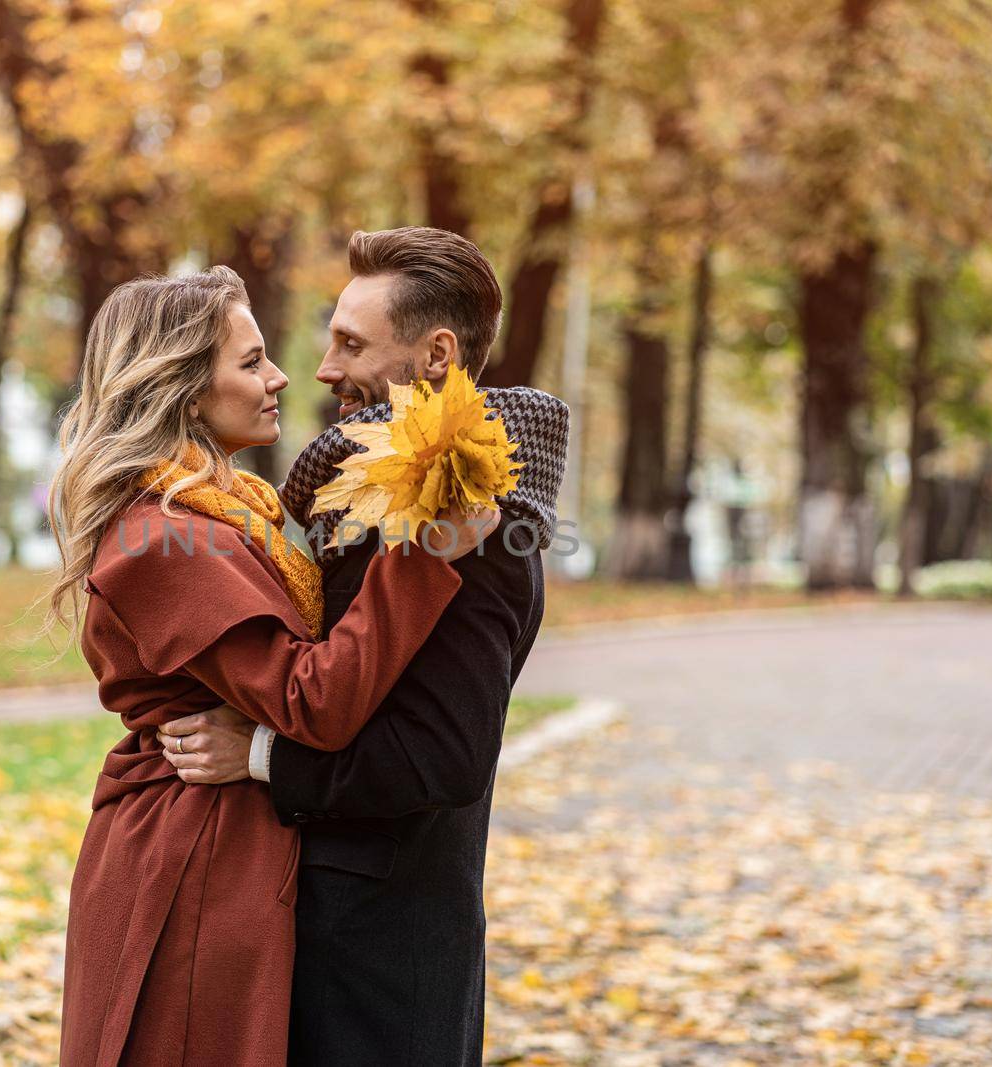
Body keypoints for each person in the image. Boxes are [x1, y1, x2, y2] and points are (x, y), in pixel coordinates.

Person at [45, 265, 497, 1067]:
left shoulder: (230, 509)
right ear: (184, 388)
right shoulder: (159, 537)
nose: (283, 375)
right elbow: (310, 699)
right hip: (189, 861)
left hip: (229, 840)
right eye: (251, 362)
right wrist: (423, 554)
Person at [160, 228, 569, 1065]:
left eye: (351, 343)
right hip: (332, 936)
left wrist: (262, 756)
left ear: (435, 354)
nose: (323, 369)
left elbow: (448, 757)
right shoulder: (361, 497)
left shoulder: (472, 521)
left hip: (384, 957)